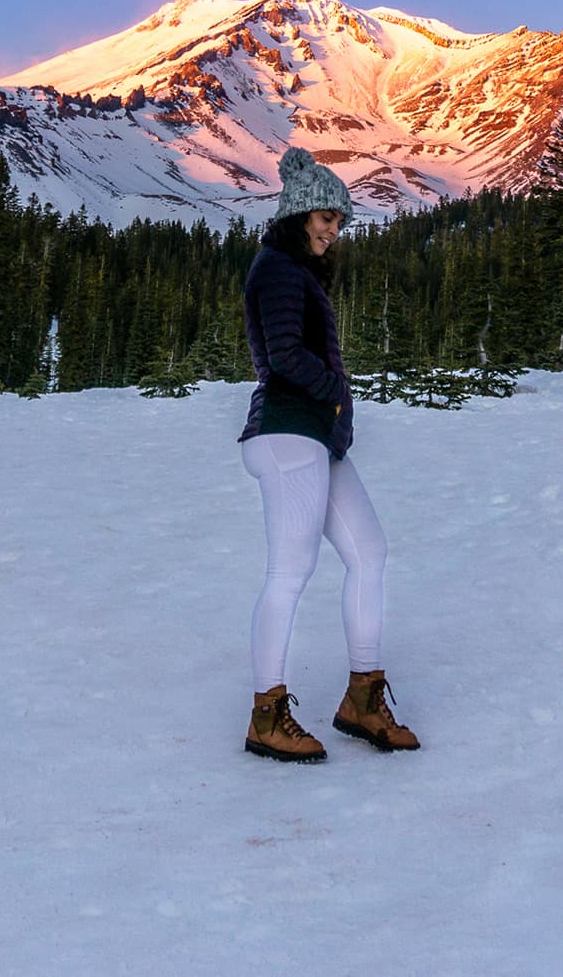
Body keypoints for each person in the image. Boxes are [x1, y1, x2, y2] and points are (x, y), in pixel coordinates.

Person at [239, 146, 420, 762]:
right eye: (325, 218)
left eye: (340, 221)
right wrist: (336, 397)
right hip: (288, 434)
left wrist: (335, 416)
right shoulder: (277, 270)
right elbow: (284, 357)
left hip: (313, 437)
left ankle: (362, 700)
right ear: (298, 215)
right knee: (288, 573)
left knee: (369, 551)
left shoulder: (296, 271)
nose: (334, 231)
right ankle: (266, 716)